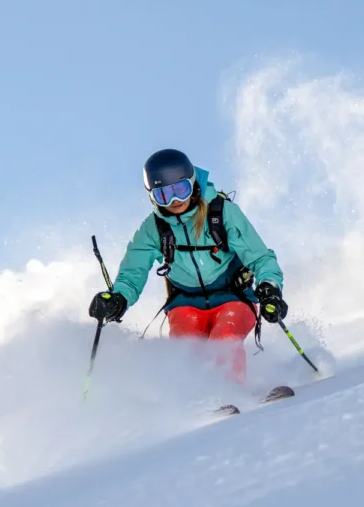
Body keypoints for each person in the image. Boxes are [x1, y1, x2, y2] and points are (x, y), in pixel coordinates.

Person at [88, 149, 288, 384]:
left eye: (179, 190)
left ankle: (232, 394)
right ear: (152, 197)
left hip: (233, 297)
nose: (174, 201)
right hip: (185, 303)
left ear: (192, 184)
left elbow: (260, 257)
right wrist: (117, 299)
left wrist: (269, 288)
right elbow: (133, 272)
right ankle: (200, 403)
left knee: (224, 340)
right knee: (186, 354)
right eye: (164, 195)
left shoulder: (222, 213)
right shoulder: (153, 229)